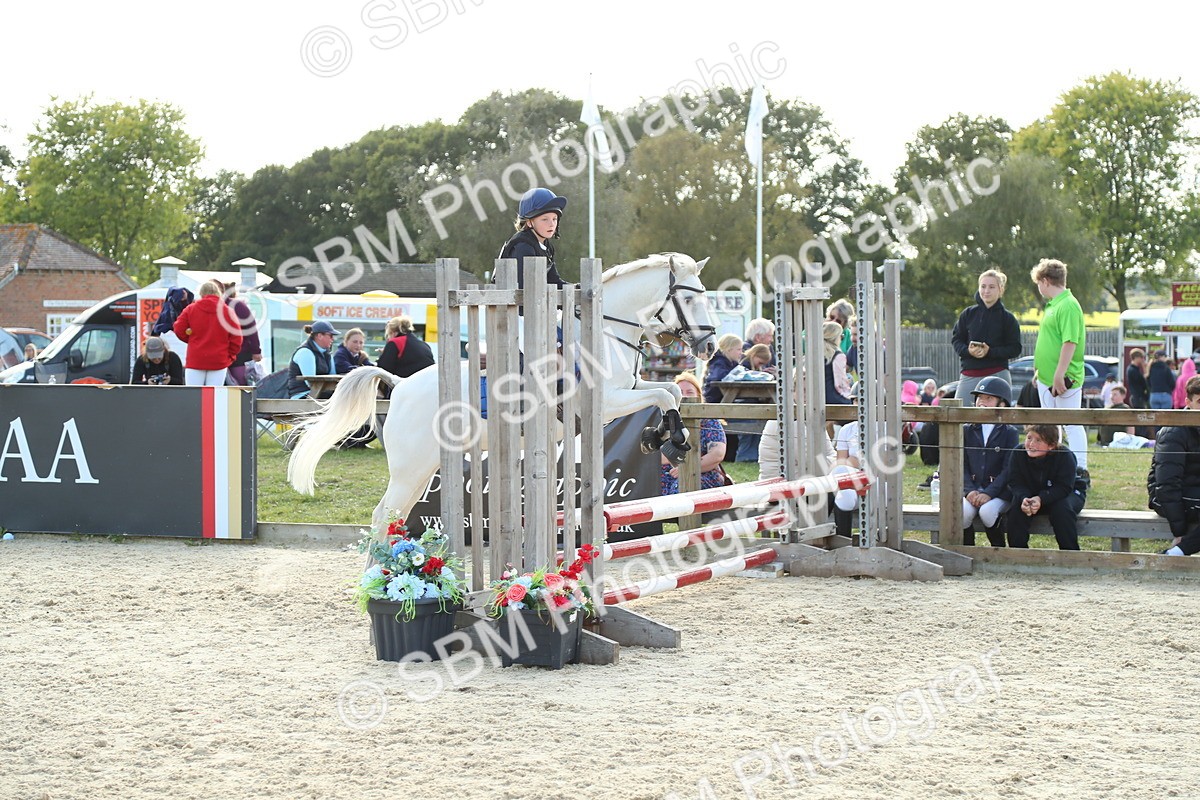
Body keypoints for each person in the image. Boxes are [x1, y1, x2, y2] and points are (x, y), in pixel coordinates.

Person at [1030, 258, 1088, 472]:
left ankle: (1080, 469)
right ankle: (1055, 464)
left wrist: (1059, 373)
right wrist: (1041, 371)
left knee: (1071, 422)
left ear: (1045, 281)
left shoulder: (1068, 305)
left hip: (1064, 377)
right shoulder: (1054, 305)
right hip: (1047, 376)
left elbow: (1070, 341)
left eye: (1038, 282)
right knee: (1051, 424)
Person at [1007, 424, 1086, 550]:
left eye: (1038, 440)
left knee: (1061, 509)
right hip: (1031, 494)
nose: (1031, 444)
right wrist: (1024, 498)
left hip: (1065, 493)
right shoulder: (1018, 453)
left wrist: (1041, 499)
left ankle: (1070, 554)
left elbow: (1064, 487)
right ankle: (1018, 554)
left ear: (1051, 445)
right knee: (1017, 507)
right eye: (1029, 438)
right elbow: (1015, 482)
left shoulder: (1065, 455)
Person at [961, 377, 1018, 546]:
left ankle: (998, 549)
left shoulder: (1010, 432)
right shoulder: (966, 429)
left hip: (999, 492)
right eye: (979, 398)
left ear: (1002, 404)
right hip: (972, 489)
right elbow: (961, 463)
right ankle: (967, 551)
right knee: (962, 512)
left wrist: (989, 493)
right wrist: (969, 490)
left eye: (988, 398)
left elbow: (1008, 469)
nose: (982, 402)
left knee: (987, 512)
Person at [951, 269, 1022, 406]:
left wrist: (990, 352)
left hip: (997, 374)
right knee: (960, 416)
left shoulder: (1008, 319)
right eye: (983, 286)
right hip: (969, 373)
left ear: (1000, 289)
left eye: (991, 287)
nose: (986, 291)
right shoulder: (968, 314)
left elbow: (1015, 348)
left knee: (999, 421)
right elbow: (956, 340)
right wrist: (968, 351)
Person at [1148, 375, 1200, 556]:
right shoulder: (1175, 431)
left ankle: (1176, 553)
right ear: (1188, 402)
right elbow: (1167, 485)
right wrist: (1179, 531)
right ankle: (1176, 553)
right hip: (1167, 498)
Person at [660, 372, 727, 494]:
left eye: (690, 392)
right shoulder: (663, 421)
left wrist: (687, 467)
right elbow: (655, 456)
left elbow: (717, 454)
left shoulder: (709, 420)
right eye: (680, 392)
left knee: (680, 487)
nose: (684, 396)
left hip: (702, 472)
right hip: (665, 474)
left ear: (698, 396)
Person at [173, 279, 242, 386]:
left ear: (201, 293)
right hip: (219, 360)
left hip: (196, 359)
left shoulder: (191, 309)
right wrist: (230, 355)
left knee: (194, 396)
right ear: (218, 293)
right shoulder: (228, 311)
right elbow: (237, 338)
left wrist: (191, 340)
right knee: (213, 397)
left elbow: (178, 328)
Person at [498, 187, 568, 290]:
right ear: (529, 222)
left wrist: (577, 288)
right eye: (545, 219)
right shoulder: (523, 247)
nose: (552, 224)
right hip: (516, 304)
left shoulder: (546, 246)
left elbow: (554, 281)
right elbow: (526, 288)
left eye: (554, 219)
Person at [286, 320, 339, 399]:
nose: (333, 339)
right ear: (320, 336)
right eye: (330, 335)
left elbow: (333, 377)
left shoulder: (327, 354)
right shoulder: (305, 352)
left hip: (318, 393)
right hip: (302, 395)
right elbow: (311, 383)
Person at [223, 283, 262, 386]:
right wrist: (256, 351)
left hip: (228, 355)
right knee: (242, 387)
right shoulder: (239, 306)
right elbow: (251, 328)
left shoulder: (235, 306)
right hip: (240, 354)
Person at [701, 334, 743, 404]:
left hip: (721, 398)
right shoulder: (719, 363)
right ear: (729, 350)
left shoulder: (731, 363)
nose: (741, 353)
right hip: (714, 400)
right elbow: (718, 377)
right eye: (739, 349)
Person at [823, 321, 852, 405]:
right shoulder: (838, 356)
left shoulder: (813, 355)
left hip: (816, 400)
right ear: (835, 337)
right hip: (833, 399)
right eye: (841, 336)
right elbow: (840, 385)